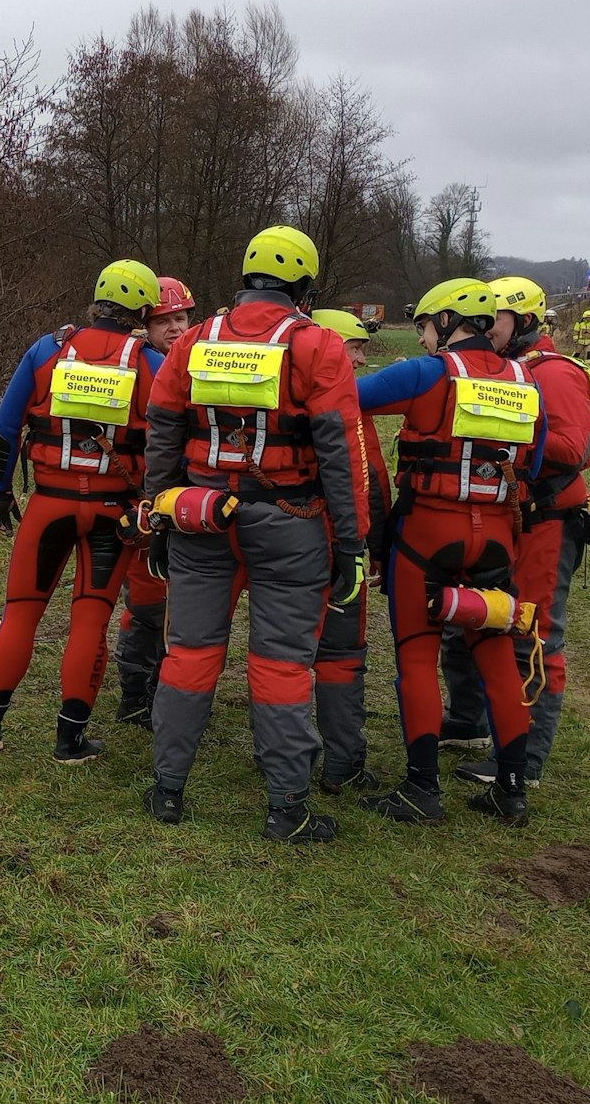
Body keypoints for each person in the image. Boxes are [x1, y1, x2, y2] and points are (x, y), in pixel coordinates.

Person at [141, 225, 369, 843]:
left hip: (201, 516)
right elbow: (342, 454)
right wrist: (350, 542)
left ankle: (167, 789)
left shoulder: (191, 343)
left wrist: (157, 514)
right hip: (290, 524)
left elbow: (162, 435)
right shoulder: (317, 345)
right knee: (282, 664)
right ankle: (285, 806)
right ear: (303, 285)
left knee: (188, 653)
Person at [0, 260, 163, 762]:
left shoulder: (49, 349)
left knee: (22, 613)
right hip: (115, 511)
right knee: (91, 621)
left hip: (48, 505)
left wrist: (2, 494)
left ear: (96, 301)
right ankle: (70, 739)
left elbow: (6, 428)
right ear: (143, 312)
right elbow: (167, 442)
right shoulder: (151, 363)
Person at [356, 278, 546, 827]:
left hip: (427, 534)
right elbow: (531, 464)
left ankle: (421, 789)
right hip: (496, 540)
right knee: (494, 654)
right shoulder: (525, 381)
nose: (419, 338)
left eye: (422, 326)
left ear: (446, 322)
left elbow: (347, 392)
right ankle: (511, 789)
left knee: (416, 654)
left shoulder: (429, 373)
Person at [441, 276, 590, 790]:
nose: (487, 326)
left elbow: (573, 449)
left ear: (525, 321)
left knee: (532, 634)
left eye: (498, 318)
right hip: (500, 518)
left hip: (545, 523)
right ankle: (469, 722)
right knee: (466, 621)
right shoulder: (502, 369)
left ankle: (524, 760)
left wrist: (507, 424)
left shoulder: (554, 374)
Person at [307, 308, 391, 794]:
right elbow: (369, 481)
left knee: (282, 652)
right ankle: (342, 760)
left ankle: (275, 748)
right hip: (335, 540)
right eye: (355, 347)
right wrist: (370, 546)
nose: (361, 358)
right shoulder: (343, 406)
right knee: (340, 650)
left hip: (281, 539)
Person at [112, 275, 196, 726]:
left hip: (180, 501)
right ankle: (135, 694)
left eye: (181, 317)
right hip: (141, 503)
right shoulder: (138, 365)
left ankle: (165, 685)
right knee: (146, 603)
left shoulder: (194, 363)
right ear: (145, 324)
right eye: (164, 320)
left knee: (176, 601)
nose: (176, 327)